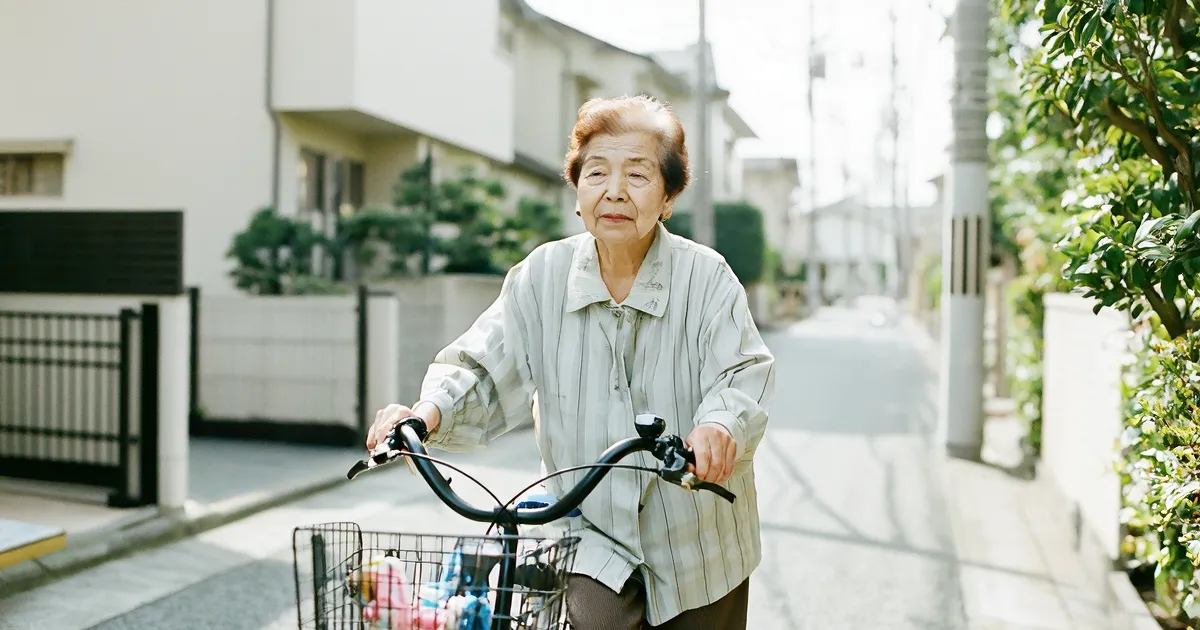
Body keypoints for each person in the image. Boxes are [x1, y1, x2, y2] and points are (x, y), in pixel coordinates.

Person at [366, 94, 775, 630]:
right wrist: (425, 413)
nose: (614, 191)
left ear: (669, 197)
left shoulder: (707, 278)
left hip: (698, 542)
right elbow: (484, 361)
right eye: (597, 172)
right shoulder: (542, 275)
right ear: (578, 190)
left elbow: (740, 372)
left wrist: (720, 427)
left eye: (638, 174)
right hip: (591, 532)